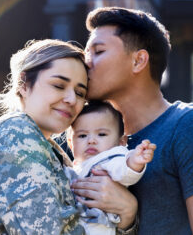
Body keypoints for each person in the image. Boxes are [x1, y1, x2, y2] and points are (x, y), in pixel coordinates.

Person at [70, 7, 193, 235]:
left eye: (98, 51)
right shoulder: (80, 140)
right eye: (86, 54)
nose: (86, 63)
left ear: (138, 61)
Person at [0, 39, 88, 234]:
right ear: (23, 84)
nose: (71, 99)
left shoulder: (49, 147)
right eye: (59, 85)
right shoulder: (14, 133)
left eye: (80, 93)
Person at [63, 100, 156, 235]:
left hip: (98, 226)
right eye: (82, 135)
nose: (91, 140)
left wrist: (135, 161)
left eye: (101, 134)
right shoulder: (75, 167)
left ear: (121, 141)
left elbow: (123, 171)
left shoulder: (110, 158)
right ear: (71, 144)